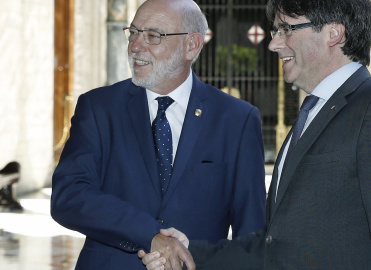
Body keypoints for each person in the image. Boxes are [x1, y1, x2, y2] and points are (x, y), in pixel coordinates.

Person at [140, 0, 371, 269]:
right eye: (275, 31)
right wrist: (188, 251)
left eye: (286, 29)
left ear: (334, 33)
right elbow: (275, 247)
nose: (273, 44)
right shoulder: (313, 113)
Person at [50, 0, 267, 269]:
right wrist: (149, 235)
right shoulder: (98, 108)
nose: (136, 46)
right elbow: (69, 196)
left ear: (192, 45)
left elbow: (252, 235)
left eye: (153, 36)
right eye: (133, 33)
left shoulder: (236, 119)